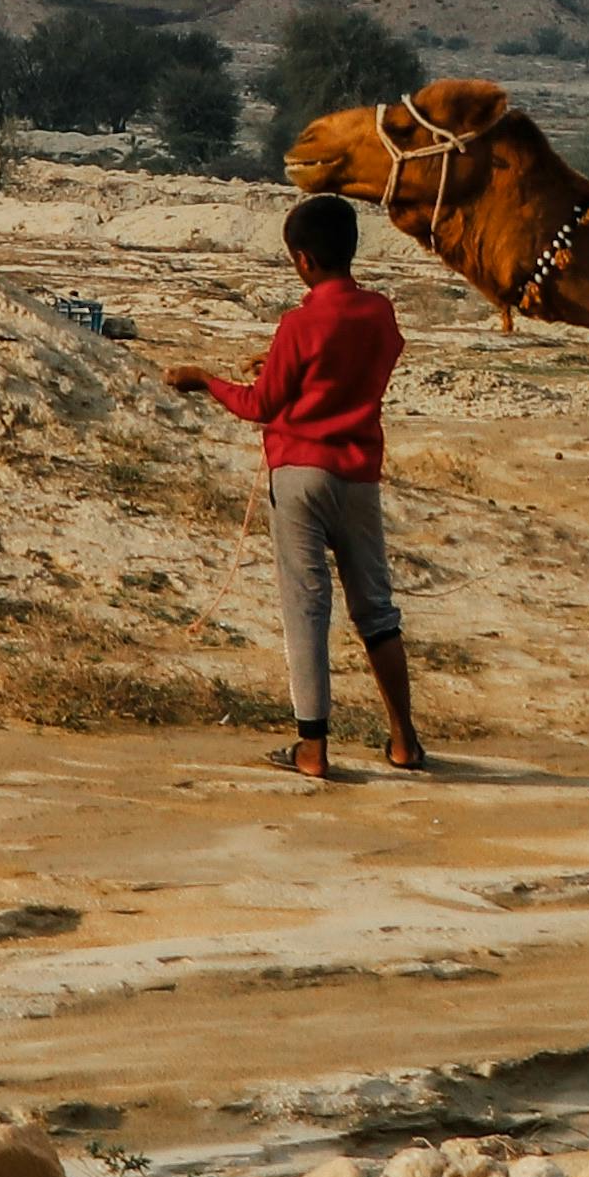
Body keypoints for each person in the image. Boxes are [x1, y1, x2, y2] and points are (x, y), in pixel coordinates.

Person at [166, 190, 425, 779]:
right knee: (377, 611)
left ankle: (312, 747)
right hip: (359, 474)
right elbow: (358, 365)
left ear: (303, 261)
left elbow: (262, 404)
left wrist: (204, 380)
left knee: (306, 608)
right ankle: (405, 739)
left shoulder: (299, 322)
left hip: (300, 472)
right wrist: (287, 359)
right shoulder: (380, 312)